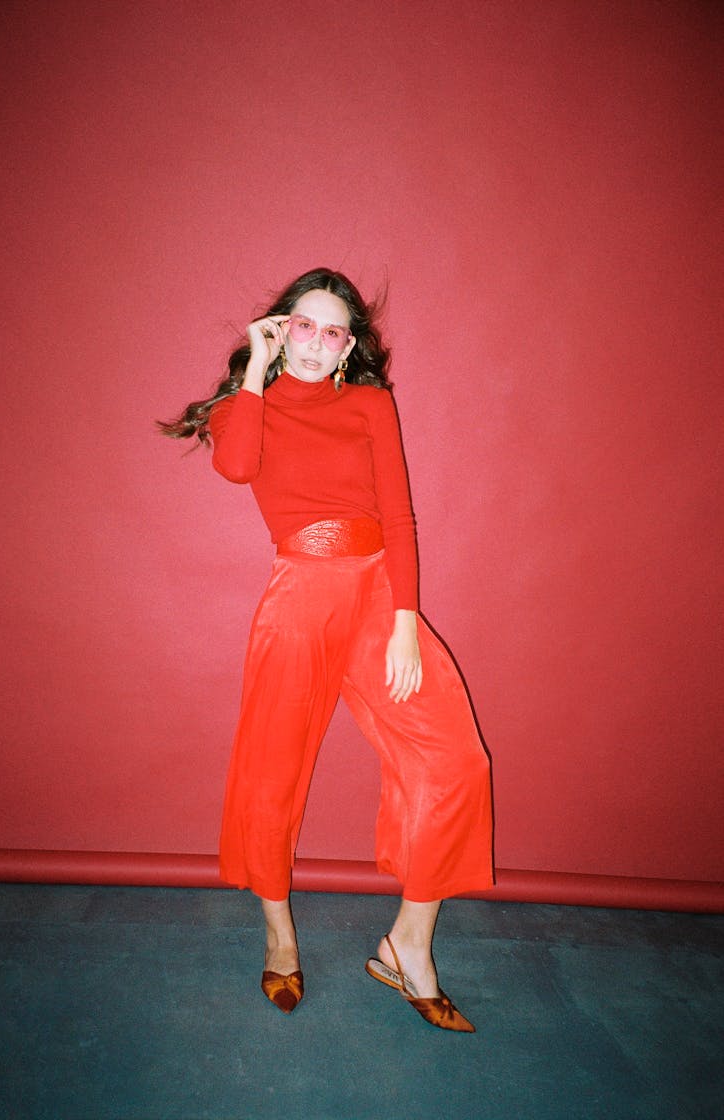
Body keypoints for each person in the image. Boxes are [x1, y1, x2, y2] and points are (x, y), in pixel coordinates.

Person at [159, 268, 493, 1032]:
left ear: (348, 347)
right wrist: (253, 362)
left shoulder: (371, 404)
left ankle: (408, 943)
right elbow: (237, 466)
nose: (314, 343)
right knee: (273, 776)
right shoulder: (249, 407)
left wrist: (405, 620)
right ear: (280, 331)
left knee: (453, 762)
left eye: (331, 331)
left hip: (378, 596)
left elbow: (400, 517)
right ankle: (280, 936)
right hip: (300, 601)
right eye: (299, 326)